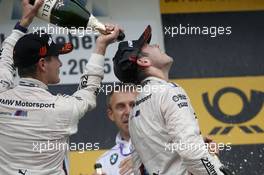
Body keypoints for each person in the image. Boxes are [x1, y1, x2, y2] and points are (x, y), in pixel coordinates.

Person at [0, 0, 121, 174]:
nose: (60, 63)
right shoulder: (62, 109)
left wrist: (23, 23)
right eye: (56, 57)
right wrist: (101, 46)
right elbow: (89, 90)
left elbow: (4, 59)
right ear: (43, 64)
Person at [112, 25, 228, 175]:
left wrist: (206, 152)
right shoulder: (168, 91)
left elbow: (140, 167)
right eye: (148, 45)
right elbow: (191, 152)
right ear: (144, 62)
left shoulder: (135, 111)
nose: (157, 45)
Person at [94, 84, 137, 175]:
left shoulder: (164, 147)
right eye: (121, 106)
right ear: (111, 114)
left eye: (133, 105)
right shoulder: (103, 163)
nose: (128, 112)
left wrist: (146, 162)